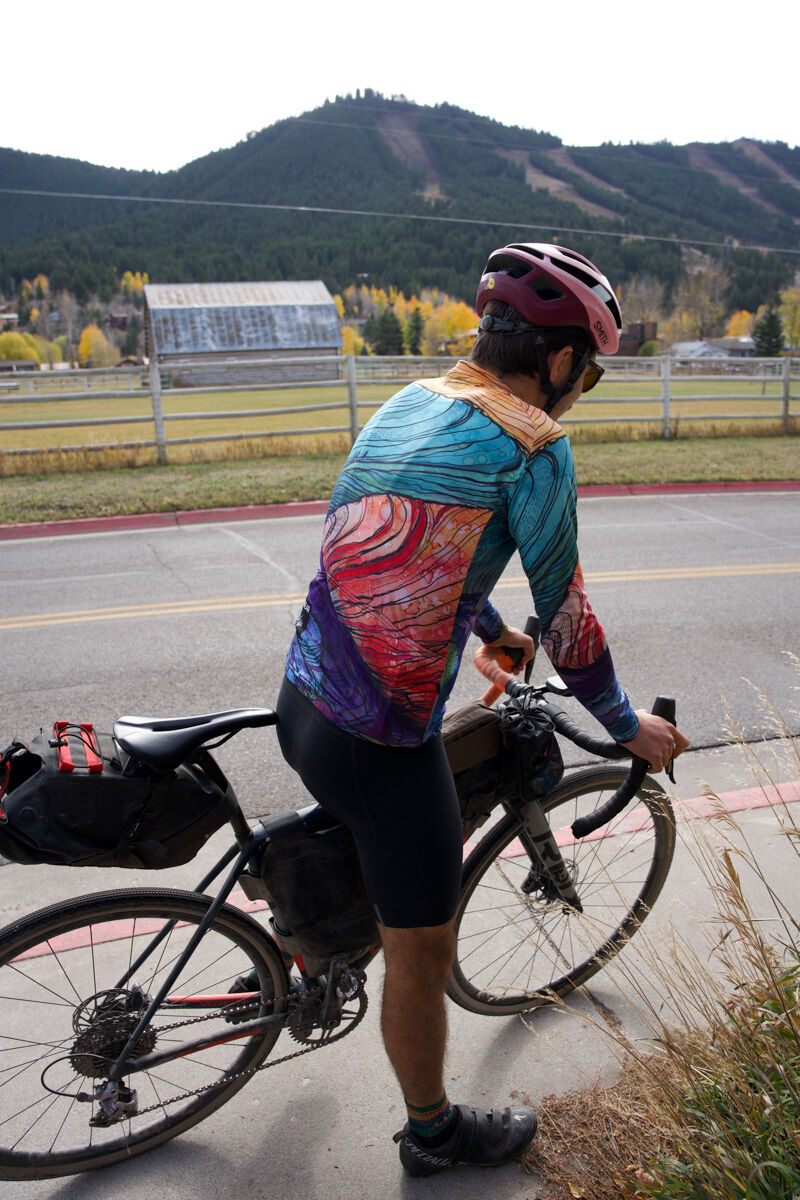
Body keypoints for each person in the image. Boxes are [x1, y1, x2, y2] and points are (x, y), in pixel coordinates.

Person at [276, 242, 689, 1176]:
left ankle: (304, 943)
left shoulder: (410, 400)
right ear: (559, 359)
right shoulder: (533, 445)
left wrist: (493, 636)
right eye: (589, 372)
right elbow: (569, 621)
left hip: (302, 698)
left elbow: (401, 551)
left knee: (368, 847)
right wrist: (630, 728)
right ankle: (433, 1135)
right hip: (380, 740)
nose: (581, 390)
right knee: (420, 949)